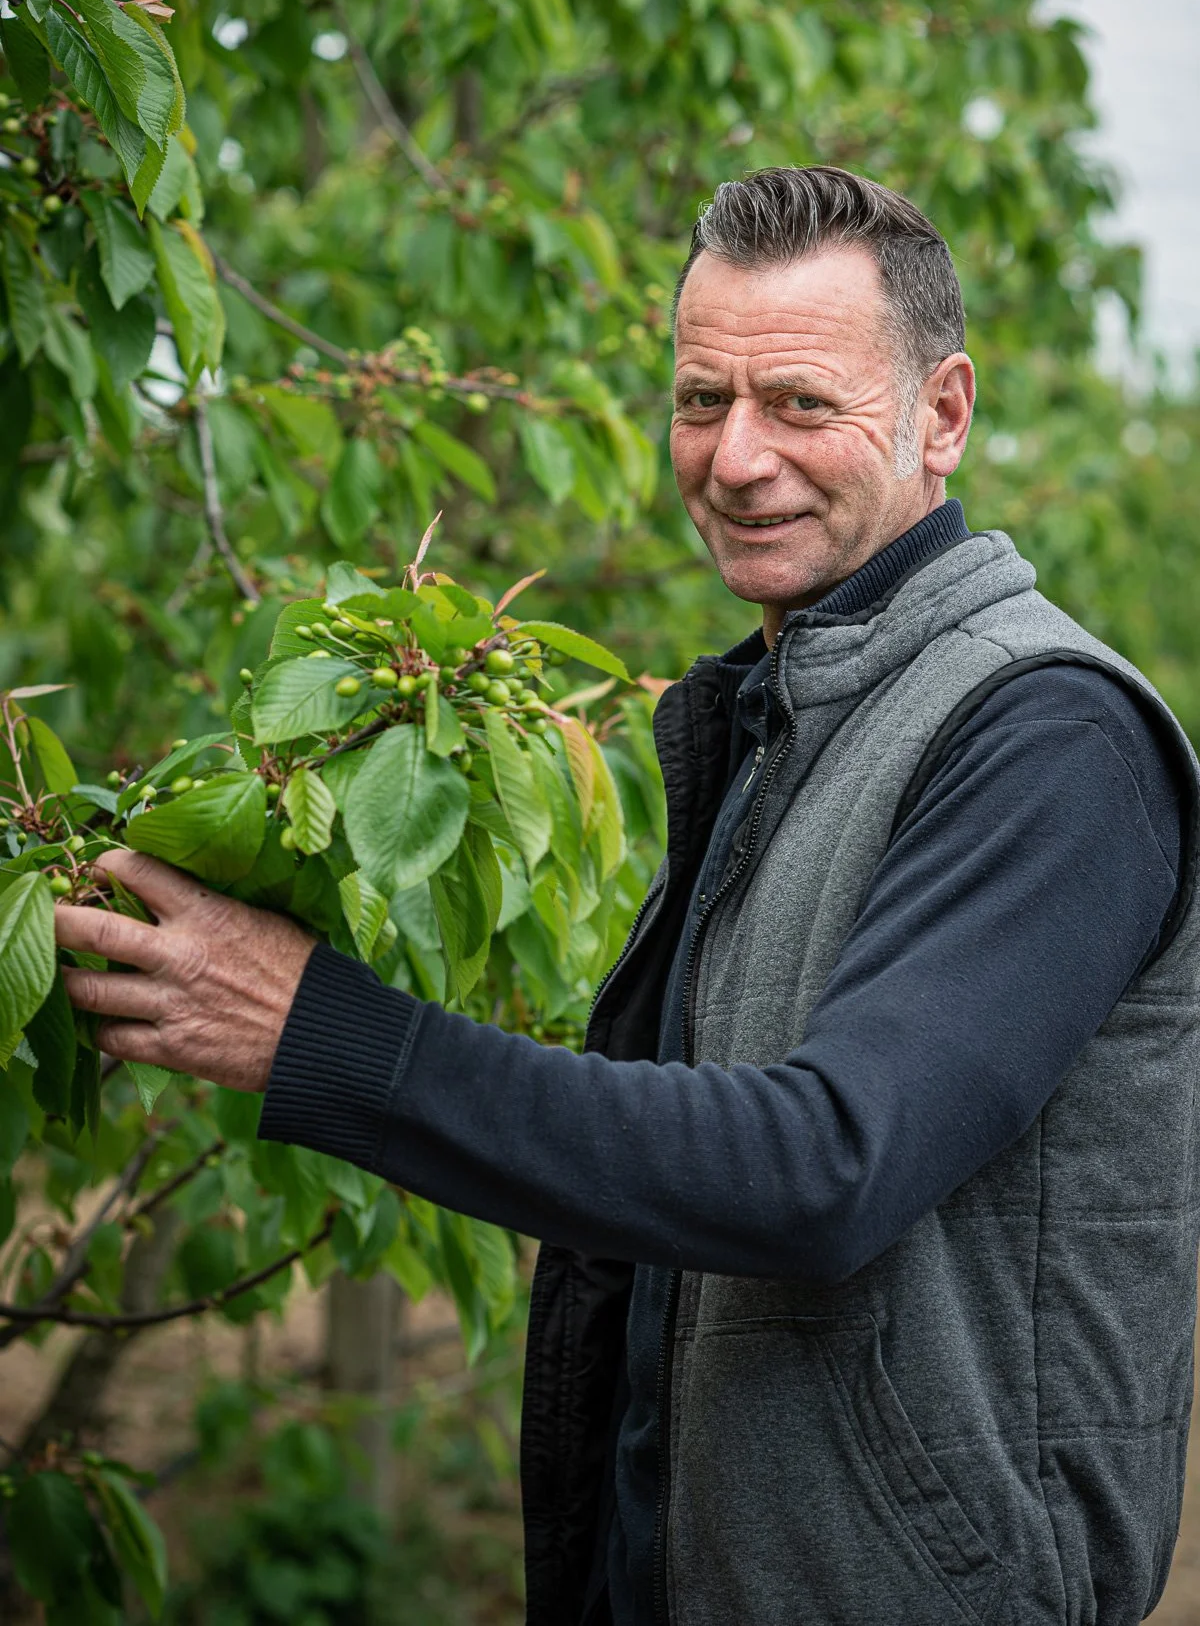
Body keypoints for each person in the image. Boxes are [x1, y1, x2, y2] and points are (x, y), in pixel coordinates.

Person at [55, 166, 1200, 1626]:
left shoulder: (1052, 739)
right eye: (701, 399)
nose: (734, 458)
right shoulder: (787, 713)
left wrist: (316, 1033)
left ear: (944, 413)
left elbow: (823, 1166)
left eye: (798, 403)